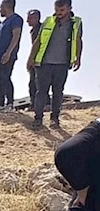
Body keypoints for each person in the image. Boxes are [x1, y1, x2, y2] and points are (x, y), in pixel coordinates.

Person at [27, 0, 83, 129]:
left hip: (62, 64)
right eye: (57, 10)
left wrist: (78, 58)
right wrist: (31, 58)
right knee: (41, 92)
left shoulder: (76, 23)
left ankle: (54, 119)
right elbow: (38, 41)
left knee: (58, 92)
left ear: (69, 8)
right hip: (44, 63)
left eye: (62, 10)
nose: (58, 13)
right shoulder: (48, 21)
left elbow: (78, 40)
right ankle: (38, 119)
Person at [0, 0, 24, 111]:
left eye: (1, 7)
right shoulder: (2, 23)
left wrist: (8, 52)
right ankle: (0, 104)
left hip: (7, 55)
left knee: (5, 78)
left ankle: (10, 103)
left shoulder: (16, 19)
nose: (0, 10)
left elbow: (16, 36)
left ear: (6, 7)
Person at [27, 9, 42, 106]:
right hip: (36, 58)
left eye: (30, 18)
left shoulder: (40, 29)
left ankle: (37, 104)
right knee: (33, 83)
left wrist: (32, 59)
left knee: (36, 83)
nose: (27, 21)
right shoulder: (34, 30)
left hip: (39, 60)